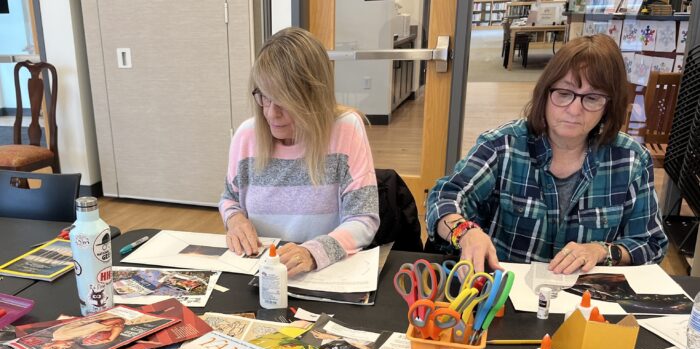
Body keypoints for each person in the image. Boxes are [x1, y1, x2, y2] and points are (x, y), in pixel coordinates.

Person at [426, 34, 668, 274]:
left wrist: (602, 251)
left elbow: (651, 243)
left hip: (587, 302)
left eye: (592, 98)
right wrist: (466, 232)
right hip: (503, 297)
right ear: (545, 93)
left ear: (609, 105)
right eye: (563, 93)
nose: (574, 110)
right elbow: (444, 198)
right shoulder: (504, 145)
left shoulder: (631, 159)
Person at [219, 27, 379, 277]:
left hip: (320, 273)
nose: (271, 113)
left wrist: (313, 253)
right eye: (264, 97)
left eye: (284, 101)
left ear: (314, 96)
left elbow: (364, 219)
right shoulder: (246, 135)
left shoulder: (346, 129)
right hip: (259, 271)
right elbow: (229, 198)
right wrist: (235, 221)